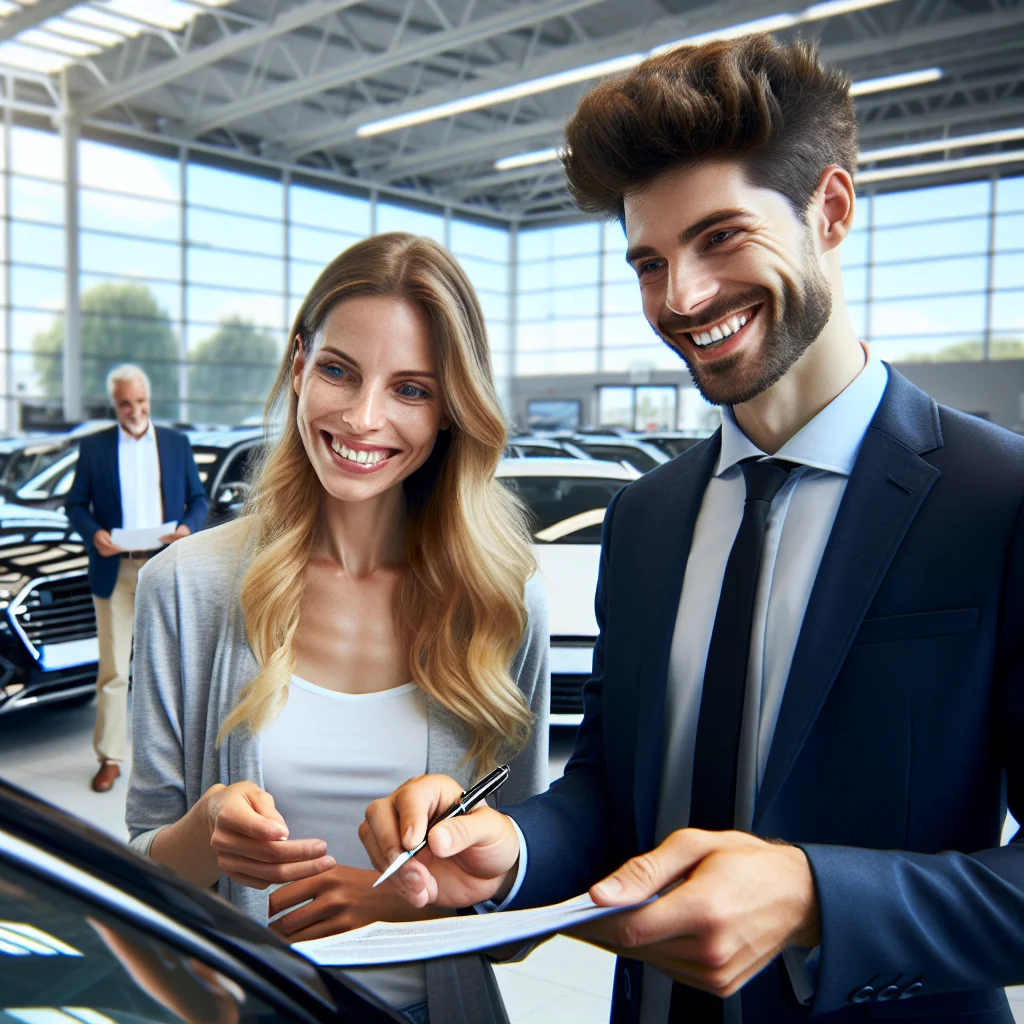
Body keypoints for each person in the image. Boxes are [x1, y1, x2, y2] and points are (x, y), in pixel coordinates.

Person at [359, 36, 1024, 1024]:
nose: (682, 298)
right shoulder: (648, 517)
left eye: (720, 237)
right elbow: (609, 791)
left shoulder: (997, 498)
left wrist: (815, 898)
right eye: (650, 262)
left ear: (831, 210)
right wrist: (513, 850)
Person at [125, 233, 550, 1024]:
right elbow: (142, 872)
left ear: (451, 410)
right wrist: (205, 831)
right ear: (298, 366)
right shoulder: (184, 587)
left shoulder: (503, 602)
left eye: (411, 390)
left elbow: (522, 898)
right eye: (339, 371)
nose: (362, 417)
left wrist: (408, 903)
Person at [66, 365, 208, 794]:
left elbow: (198, 500)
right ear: (115, 404)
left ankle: (173, 761)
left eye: (141, 401)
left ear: (149, 399)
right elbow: (75, 504)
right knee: (113, 670)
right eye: (126, 404)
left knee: (170, 669)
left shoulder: (176, 443)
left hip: (164, 568)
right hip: (115, 569)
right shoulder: (95, 447)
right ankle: (110, 758)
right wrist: (95, 533)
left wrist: (187, 527)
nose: (135, 410)